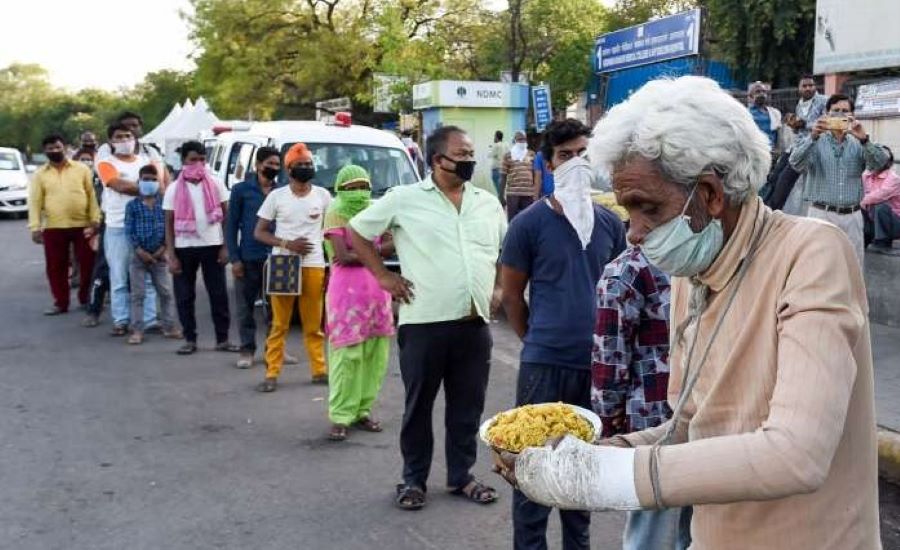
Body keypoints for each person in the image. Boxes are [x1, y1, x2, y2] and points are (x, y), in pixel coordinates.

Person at [494, 76, 881, 550]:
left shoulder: (812, 253)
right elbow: (689, 428)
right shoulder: (690, 273)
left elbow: (796, 454)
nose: (632, 233)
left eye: (645, 208)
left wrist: (598, 477)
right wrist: (591, 453)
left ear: (711, 194)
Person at [349, 125, 507, 511]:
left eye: (472, 153)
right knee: (419, 406)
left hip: (474, 323)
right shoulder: (404, 199)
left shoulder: (486, 203)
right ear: (438, 160)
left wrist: (500, 288)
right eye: (463, 154)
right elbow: (355, 233)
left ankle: (462, 476)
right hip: (424, 324)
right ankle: (413, 480)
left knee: (467, 407)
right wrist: (384, 276)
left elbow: (504, 250)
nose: (470, 160)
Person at [500, 118, 626, 550]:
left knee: (581, 472)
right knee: (533, 471)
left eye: (582, 155)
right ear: (549, 163)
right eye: (565, 156)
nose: (575, 163)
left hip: (596, 368)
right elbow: (511, 297)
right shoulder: (528, 225)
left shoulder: (611, 225)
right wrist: (535, 341)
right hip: (544, 364)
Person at [592, 247, 691, 550]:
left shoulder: (625, 271)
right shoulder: (701, 259)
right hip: (700, 418)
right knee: (689, 532)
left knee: (649, 536)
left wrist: (609, 432)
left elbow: (609, 364)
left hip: (653, 428)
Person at [323, 165, 396, 441]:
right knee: (347, 356)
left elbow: (392, 244)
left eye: (363, 186)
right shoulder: (335, 212)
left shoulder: (375, 212)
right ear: (341, 189)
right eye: (351, 188)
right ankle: (340, 415)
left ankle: (363, 411)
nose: (358, 193)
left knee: (374, 355)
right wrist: (374, 250)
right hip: (347, 295)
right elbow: (343, 257)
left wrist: (365, 251)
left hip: (377, 292)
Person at [253, 142, 331, 391]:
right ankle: (271, 374)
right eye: (300, 165)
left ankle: (319, 370)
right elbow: (259, 233)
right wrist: (287, 243)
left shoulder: (323, 195)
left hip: (314, 264)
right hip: (283, 264)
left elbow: (330, 231)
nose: (306, 168)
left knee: (313, 324)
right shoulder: (277, 197)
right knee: (280, 324)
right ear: (289, 170)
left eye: (309, 164)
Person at [790, 93, 889, 267]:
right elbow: (795, 163)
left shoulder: (859, 142)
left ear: (852, 116)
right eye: (835, 111)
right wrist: (812, 137)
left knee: (852, 268)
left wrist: (865, 140)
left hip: (852, 216)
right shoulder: (815, 140)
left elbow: (880, 164)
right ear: (827, 114)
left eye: (845, 111)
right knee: (819, 267)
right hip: (821, 215)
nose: (840, 115)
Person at [163, 140, 237, 355]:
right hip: (184, 247)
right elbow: (168, 222)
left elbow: (226, 216)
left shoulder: (215, 183)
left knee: (219, 294)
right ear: (184, 160)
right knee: (185, 296)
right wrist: (171, 254)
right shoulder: (174, 188)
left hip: (212, 245)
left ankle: (222, 339)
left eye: (202, 159)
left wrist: (225, 247)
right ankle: (190, 339)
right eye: (193, 159)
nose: (198, 163)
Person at [97, 122, 161, 336]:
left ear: (134, 138)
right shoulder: (106, 163)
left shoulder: (146, 160)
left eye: (128, 136)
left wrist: (141, 187)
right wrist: (147, 188)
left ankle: (150, 319)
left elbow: (160, 185)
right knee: (119, 275)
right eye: (119, 137)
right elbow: (119, 185)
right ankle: (121, 320)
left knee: (149, 274)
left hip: (148, 224)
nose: (124, 140)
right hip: (118, 226)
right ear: (111, 141)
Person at [28, 134, 100, 315]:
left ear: (65, 147)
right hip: (54, 226)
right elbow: (35, 201)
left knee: (88, 264)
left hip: (83, 225)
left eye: (57, 147)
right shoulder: (39, 174)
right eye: (50, 148)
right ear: (44, 151)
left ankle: (85, 299)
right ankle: (61, 302)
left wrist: (95, 219)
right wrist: (35, 227)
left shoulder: (81, 169)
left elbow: (91, 195)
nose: (54, 151)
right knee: (55, 266)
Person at [226, 146, 280, 368]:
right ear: (258, 165)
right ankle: (247, 350)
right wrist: (234, 259)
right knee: (245, 307)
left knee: (276, 308)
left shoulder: (283, 190)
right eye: (270, 164)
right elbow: (230, 227)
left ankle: (274, 350)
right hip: (248, 256)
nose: (273, 168)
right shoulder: (241, 190)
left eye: (277, 165)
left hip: (277, 258)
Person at [124, 165, 181, 344]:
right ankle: (137, 330)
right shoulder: (132, 205)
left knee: (165, 293)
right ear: (139, 182)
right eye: (145, 179)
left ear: (159, 182)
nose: (149, 183)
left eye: (153, 180)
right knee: (138, 295)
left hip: (160, 256)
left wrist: (162, 249)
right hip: (138, 257)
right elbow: (128, 230)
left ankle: (169, 326)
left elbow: (170, 228)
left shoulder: (164, 203)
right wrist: (140, 251)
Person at [766, 75, 828, 212]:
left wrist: (804, 123)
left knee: (784, 180)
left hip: (812, 147)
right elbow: (799, 131)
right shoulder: (800, 103)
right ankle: (765, 206)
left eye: (810, 85)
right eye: (804, 86)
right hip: (796, 146)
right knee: (774, 176)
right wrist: (794, 125)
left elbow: (826, 123)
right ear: (799, 88)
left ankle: (774, 210)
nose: (808, 88)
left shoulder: (824, 101)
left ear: (815, 86)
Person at [861, 146, 900, 255]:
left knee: (879, 205)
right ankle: (866, 237)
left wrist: (862, 202)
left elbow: (879, 196)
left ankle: (883, 242)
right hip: (872, 216)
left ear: (888, 162)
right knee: (860, 207)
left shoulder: (894, 178)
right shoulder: (866, 175)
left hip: (896, 222)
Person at [502, 130, 537, 221]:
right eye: (520, 139)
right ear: (515, 141)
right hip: (513, 193)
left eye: (524, 139)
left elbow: (535, 174)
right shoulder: (508, 155)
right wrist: (500, 195)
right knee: (513, 220)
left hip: (528, 193)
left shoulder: (532, 154)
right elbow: (503, 175)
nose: (522, 142)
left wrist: (536, 191)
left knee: (527, 219)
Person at [747, 81, 783, 157]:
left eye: (764, 92)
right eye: (758, 92)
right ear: (751, 96)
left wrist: (778, 150)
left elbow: (778, 134)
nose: (761, 94)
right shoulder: (747, 114)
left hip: (771, 152)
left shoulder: (774, 113)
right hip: (755, 152)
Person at [490, 130, 510, 201]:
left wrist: (492, 146)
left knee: (499, 191)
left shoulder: (496, 145)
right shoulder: (506, 145)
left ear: (496, 137)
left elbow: (490, 155)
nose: (494, 138)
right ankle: (503, 203)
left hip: (496, 169)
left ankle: (502, 203)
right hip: (504, 170)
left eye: (494, 136)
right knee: (503, 189)